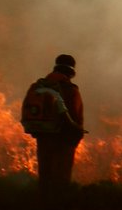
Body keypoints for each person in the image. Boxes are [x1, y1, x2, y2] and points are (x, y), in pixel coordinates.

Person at [21, 53, 86, 197]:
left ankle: (40, 207)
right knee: (60, 179)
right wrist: (76, 136)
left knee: (45, 176)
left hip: (42, 136)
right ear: (71, 72)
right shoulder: (70, 90)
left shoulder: (38, 86)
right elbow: (75, 117)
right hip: (63, 141)